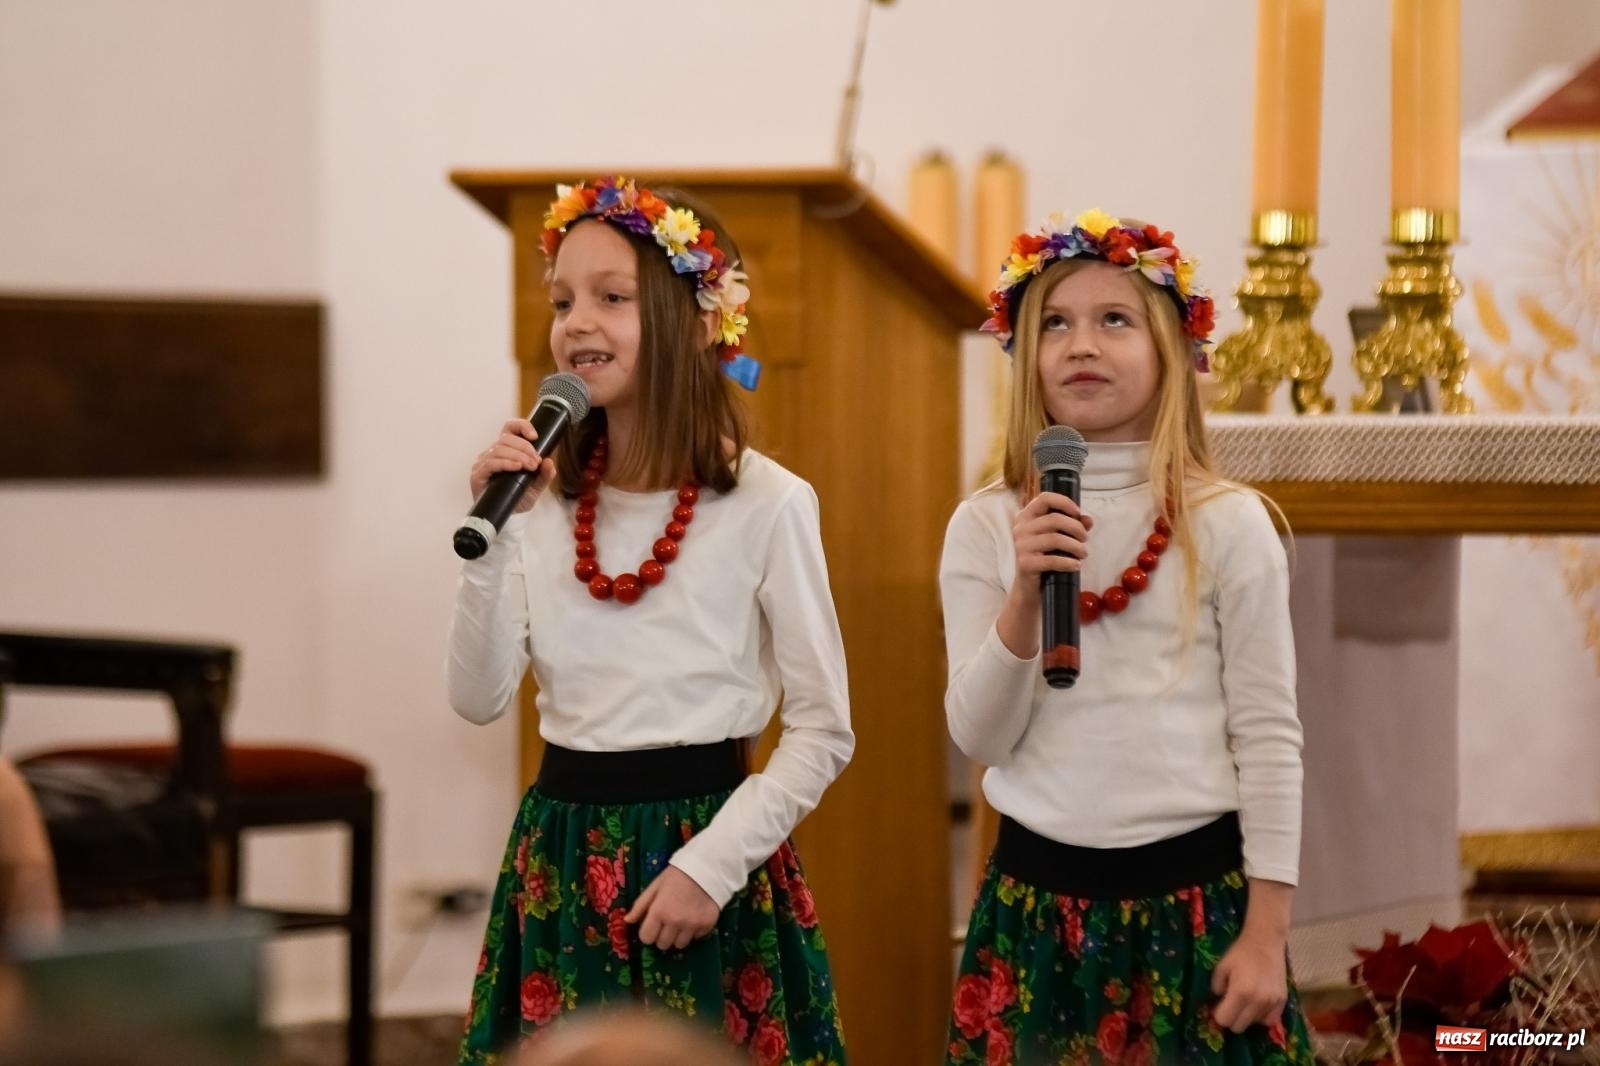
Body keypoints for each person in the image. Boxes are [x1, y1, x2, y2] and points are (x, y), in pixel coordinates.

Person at [448, 176, 851, 1065]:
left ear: (698, 322)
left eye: (612, 298)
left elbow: (824, 728)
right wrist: (493, 543)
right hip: (562, 857)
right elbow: (477, 699)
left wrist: (712, 867)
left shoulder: (769, 503)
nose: (576, 323)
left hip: (708, 858)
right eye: (562, 301)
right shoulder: (540, 504)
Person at [940, 209, 1314, 1064]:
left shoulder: (1230, 523)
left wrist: (1267, 933)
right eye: (1056, 324)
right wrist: (1025, 598)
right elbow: (981, 738)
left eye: (1115, 320)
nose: (1082, 345)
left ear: (1172, 349)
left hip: (1197, 907)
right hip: (1039, 911)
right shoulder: (986, 525)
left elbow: (1268, 738)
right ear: (1025, 355)